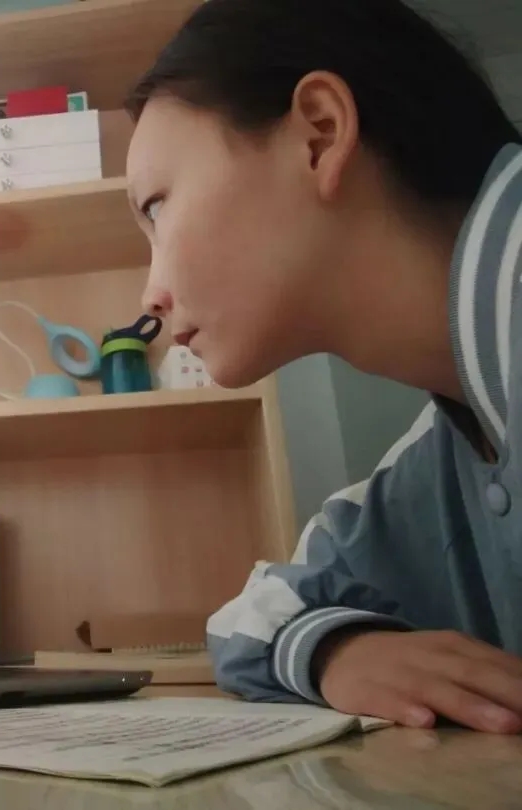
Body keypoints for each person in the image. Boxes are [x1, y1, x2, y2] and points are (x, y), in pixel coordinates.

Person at [125, 0, 522, 734]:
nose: (148, 297)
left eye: (156, 206)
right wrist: (337, 647)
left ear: (319, 133)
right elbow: (252, 614)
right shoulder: (447, 450)